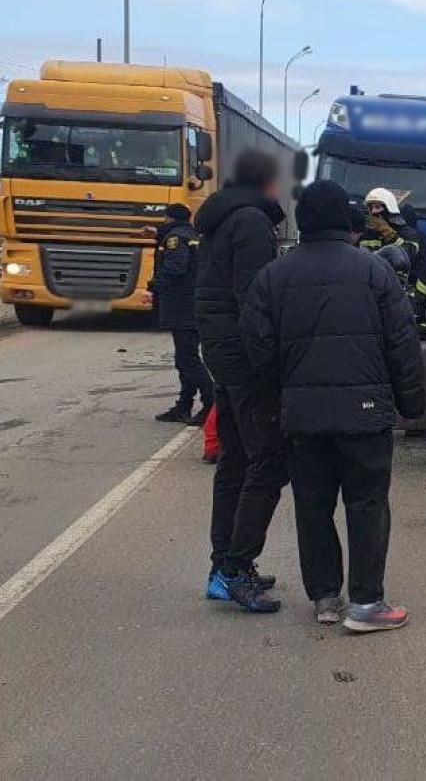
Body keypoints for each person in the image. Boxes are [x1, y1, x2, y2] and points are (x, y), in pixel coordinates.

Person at [241, 180, 424, 632]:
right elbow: (403, 342)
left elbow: (256, 344)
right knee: (366, 504)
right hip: (365, 413)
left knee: (313, 505)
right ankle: (366, 604)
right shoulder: (373, 271)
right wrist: (411, 404)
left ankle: (325, 597)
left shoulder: (274, 275)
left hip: (304, 417)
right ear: (346, 221)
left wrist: (277, 395)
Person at [194, 149, 290, 613]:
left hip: (221, 353)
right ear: (267, 184)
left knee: (234, 461)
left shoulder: (220, 220)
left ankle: (224, 567)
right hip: (245, 360)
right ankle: (235, 569)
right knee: (268, 461)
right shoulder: (250, 222)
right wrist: (271, 365)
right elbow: (256, 302)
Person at [148, 204, 213, 425]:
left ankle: (210, 401)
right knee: (185, 358)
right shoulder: (192, 235)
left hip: (182, 307)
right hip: (192, 304)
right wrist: (156, 234)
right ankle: (184, 405)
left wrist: (154, 285)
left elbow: (176, 267)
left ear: (169, 218)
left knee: (187, 359)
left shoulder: (175, 239)